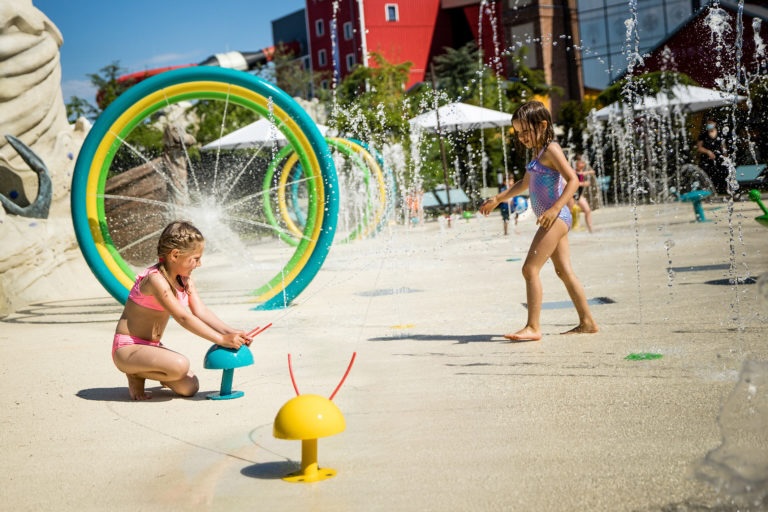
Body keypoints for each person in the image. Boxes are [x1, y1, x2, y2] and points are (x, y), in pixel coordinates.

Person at [479, 101, 598, 341]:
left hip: (555, 218)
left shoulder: (551, 149)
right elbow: (524, 183)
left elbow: (573, 179)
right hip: (553, 218)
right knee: (564, 271)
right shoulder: (538, 153)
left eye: (526, 131)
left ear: (542, 125)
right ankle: (587, 322)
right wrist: (498, 198)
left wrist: (554, 209)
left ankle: (533, 327)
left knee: (529, 269)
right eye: (518, 132)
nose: (522, 137)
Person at [112, 220, 253, 400]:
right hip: (128, 348)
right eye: (195, 259)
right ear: (175, 255)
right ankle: (135, 374)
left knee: (190, 387)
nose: (199, 264)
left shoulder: (184, 280)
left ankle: (148, 370)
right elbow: (183, 317)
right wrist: (221, 339)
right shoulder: (156, 280)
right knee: (180, 365)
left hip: (152, 347)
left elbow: (201, 311)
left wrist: (231, 332)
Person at [696, 118, 728, 194]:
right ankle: (708, 192)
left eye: (711, 123)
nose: (709, 125)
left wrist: (726, 157)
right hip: (707, 160)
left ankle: (722, 190)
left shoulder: (720, 134)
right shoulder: (703, 135)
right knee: (708, 176)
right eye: (708, 123)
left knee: (721, 175)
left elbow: (723, 147)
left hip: (718, 160)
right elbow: (699, 148)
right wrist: (708, 152)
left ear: (715, 124)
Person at [568, 153, 595, 233]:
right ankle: (565, 232)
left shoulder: (582, 172)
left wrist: (585, 174)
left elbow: (588, 173)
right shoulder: (572, 171)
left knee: (587, 210)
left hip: (578, 196)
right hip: (571, 195)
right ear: (576, 163)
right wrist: (583, 183)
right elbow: (575, 182)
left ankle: (591, 230)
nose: (583, 164)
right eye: (581, 162)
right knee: (568, 212)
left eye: (584, 163)